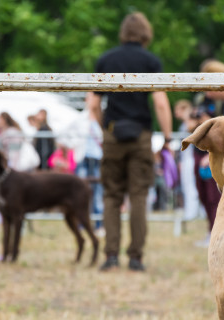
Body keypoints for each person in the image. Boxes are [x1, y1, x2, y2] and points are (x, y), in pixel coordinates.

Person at [88, 12, 173, 272]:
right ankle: (136, 257)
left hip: (113, 134)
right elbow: (160, 102)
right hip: (140, 136)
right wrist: (167, 138)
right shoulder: (151, 61)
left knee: (111, 196)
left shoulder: (106, 59)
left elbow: (92, 103)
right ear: (146, 33)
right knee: (138, 196)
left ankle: (111, 255)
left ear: (123, 33)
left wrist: (106, 130)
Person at [186, 103, 222, 247]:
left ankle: (216, 234)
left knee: (213, 199)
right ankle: (210, 232)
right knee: (204, 197)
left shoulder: (217, 127)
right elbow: (189, 128)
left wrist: (210, 156)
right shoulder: (197, 128)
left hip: (211, 163)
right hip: (198, 161)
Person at [77, 95, 105, 236]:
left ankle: (99, 224)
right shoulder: (80, 118)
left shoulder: (102, 117)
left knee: (99, 192)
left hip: (98, 158)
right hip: (83, 158)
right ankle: (82, 223)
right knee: (80, 192)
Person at [173, 100, 200, 223]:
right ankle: (190, 210)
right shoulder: (183, 125)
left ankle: (193, 211)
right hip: (185, 158)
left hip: (191, 158)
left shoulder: (191, 122)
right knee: (186, 185)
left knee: (191, 185)